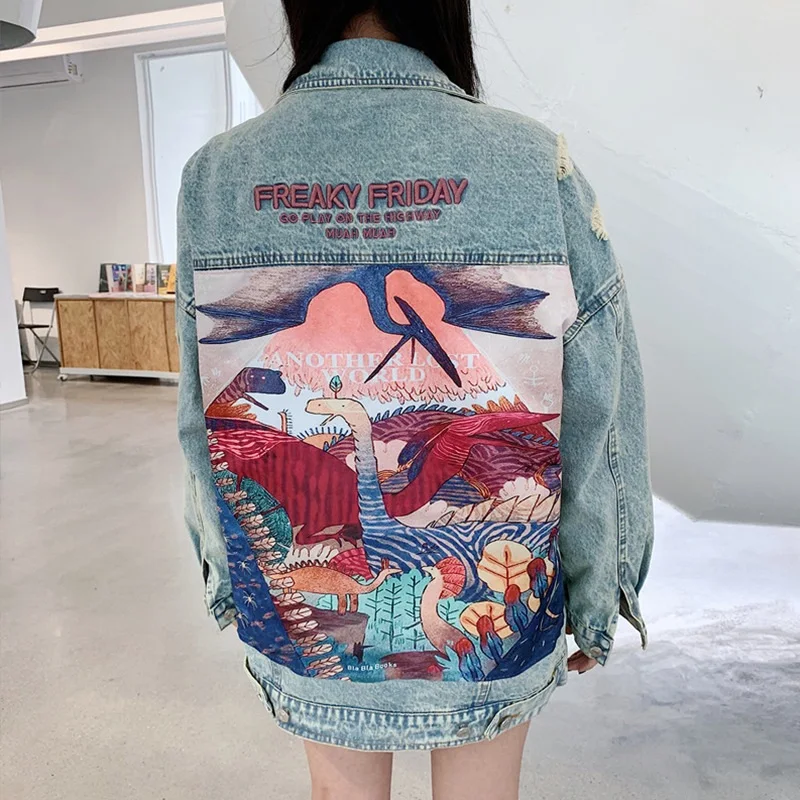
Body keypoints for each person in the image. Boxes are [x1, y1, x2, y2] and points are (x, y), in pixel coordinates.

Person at [176, 2, 654, 798]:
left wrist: (228, 577)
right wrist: (600, 590)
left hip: (311, 627)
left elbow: (200, 416)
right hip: (496, 634)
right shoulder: (534, 164)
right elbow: (599, 414)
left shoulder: (215, 175)